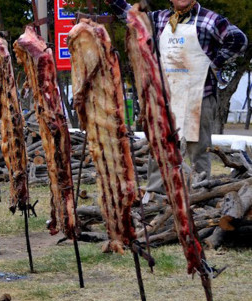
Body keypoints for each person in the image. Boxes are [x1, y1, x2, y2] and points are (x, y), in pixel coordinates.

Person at [106, 0, 247, 191]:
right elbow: (133, 17)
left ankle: (199, 194)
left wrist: (215, 63)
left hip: (199, 95)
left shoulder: (210, 20)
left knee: (198, 149)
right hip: (166, 96)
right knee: (160, 145)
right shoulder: (159, 18)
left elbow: (238, 39)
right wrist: (114, 1)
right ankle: (157, 194)